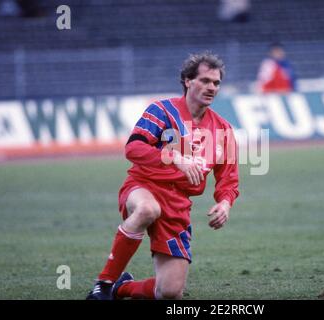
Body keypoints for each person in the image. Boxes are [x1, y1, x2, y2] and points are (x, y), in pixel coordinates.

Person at [86, 52, 239, 300]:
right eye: (205, 80)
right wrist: (174, 157)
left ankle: (120, 288)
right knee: (148, 209)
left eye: (216, 83)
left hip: (178, 203)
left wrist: (225, 202)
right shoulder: (162, 111)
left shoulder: (223, 129)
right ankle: (104, 283)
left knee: (169, 293)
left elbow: (228, 178)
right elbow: (133, 148)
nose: (211, 87)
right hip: (143, 185)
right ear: (188, 81)